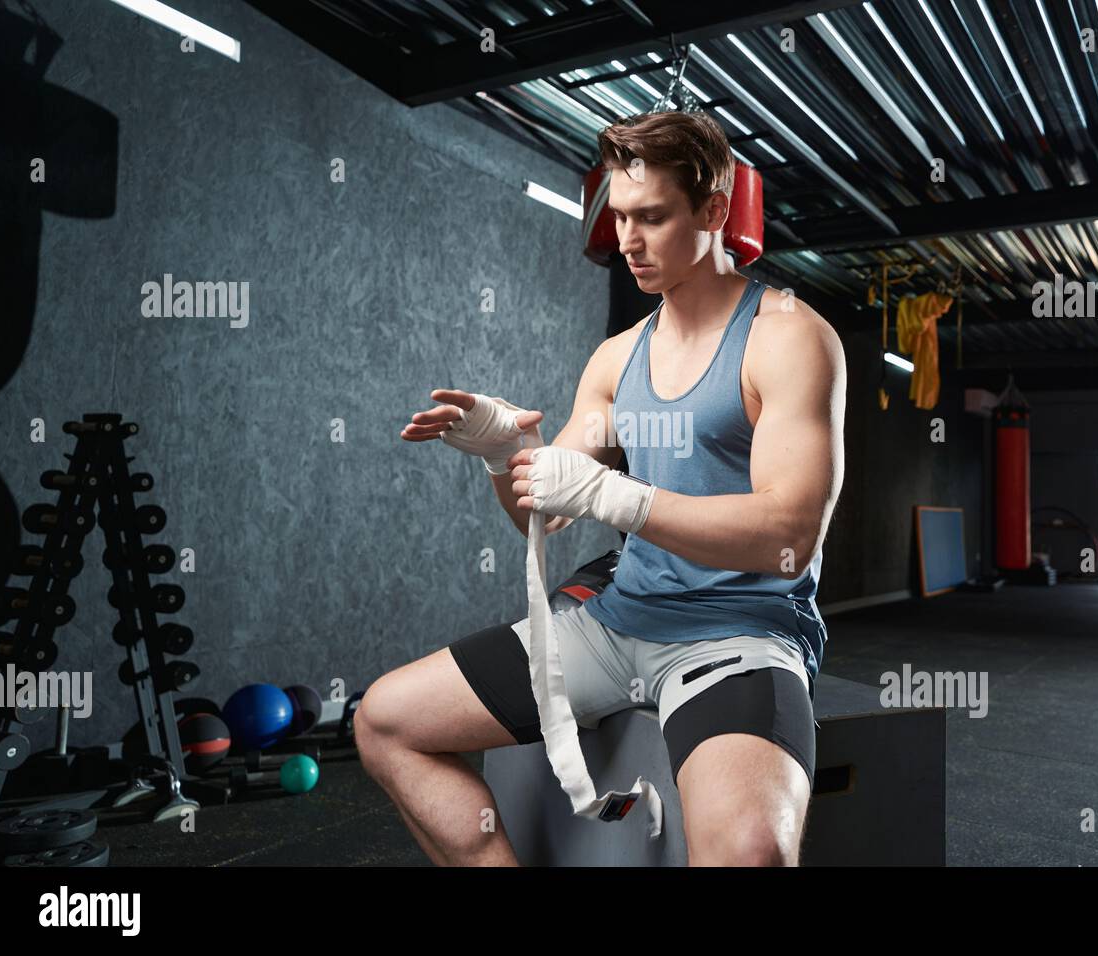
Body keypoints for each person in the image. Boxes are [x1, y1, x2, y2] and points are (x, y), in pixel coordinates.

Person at [357, 111, 846, 866]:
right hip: (617, 623)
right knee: (384, 720)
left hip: (739, 631)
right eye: (618, 215)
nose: (627, 241)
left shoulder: (787, 337)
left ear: (715, 212)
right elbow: (545, 508)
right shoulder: (617, 359)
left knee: (752, 851)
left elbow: (788, 535)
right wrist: (504, 454)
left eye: (652, 217)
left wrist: (617, 499)